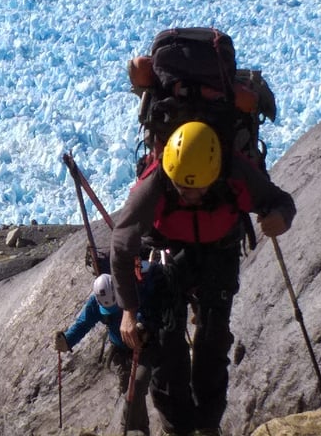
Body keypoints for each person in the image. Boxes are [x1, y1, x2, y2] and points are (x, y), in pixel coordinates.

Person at [110, 121, 296, 436]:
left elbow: (281, 201)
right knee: (168, 348)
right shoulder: (157, 182)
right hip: (167, 255)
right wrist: (128, 310)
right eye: (182, 186)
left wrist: (280, 218)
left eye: (198, 187)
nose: (190, 194)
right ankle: (177, 428)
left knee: (212, 342)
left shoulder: (233, 171)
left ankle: (208, 426)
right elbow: (121, 245)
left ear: (214, 174)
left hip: (218, 253)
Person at [54, 273, 153, 436]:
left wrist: (144, 327)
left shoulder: (133, 292)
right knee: (130, 395)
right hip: (121, 353)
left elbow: (152, 311)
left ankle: (129, 430)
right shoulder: (95, 302)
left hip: (144, 349)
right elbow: (83, 323)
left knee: (134, 390)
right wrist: (67, 341)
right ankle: (142, 431)